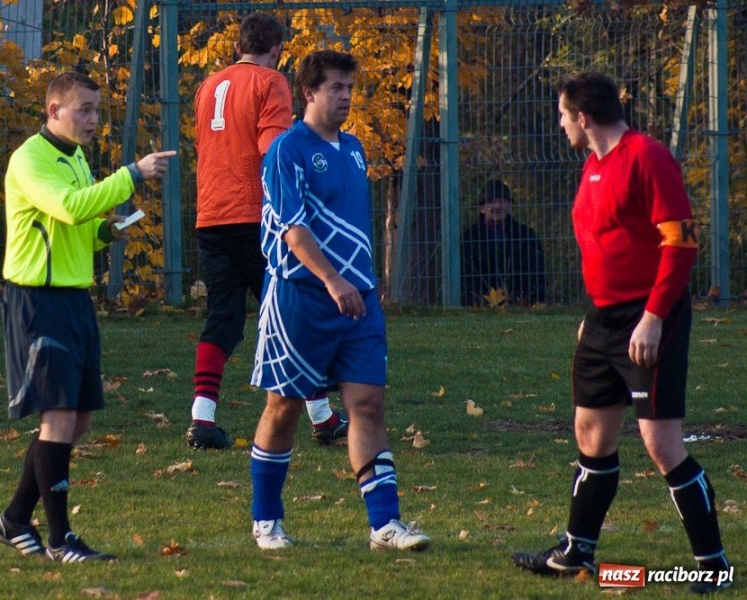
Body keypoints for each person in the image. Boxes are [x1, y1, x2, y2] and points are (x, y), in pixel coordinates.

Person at [512, 72, 730, 594]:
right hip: (603, 320)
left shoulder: (647, 157)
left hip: (651, 316)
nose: (560, 122)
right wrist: (596, 312)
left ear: (583, 116)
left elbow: (680, 243)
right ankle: (576, 552)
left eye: (563, 114)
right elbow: (606, 245)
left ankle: (715, 564)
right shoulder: (592, 165)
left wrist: (652, 318)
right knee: (591, 434)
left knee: (660, 443)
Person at [0, 71, 175, 562]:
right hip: (37, 300)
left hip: (74, 299)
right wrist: (132, 174)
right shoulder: (30, 159)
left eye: (96, 109)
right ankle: (60, 539)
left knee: (80, 416)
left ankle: (12, 520)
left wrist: (108, 234)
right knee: (60, 415)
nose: (94, 119)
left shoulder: (77, 158)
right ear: (53, 111)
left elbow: (79, 229)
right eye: (84, 110)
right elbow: (69, 209)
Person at [248, 50, 431, 552]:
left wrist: (359, 283)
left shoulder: (354, 148)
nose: (345, 95)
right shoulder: (287, 150)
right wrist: (332, 280)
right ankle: (266, 521)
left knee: (368, 404)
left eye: (349, 86)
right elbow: (292, 229)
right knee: (283, 408)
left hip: (359, 300)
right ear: (309, 93)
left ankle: (385, 525)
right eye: (335, 87)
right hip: (302, 298)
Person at [187, 12, 347, 450]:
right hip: (255, 215)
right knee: (293, 312)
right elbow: (272, 151)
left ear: (238, 47)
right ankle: (322, 417)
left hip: (211, 213)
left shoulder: (207, 86)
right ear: (276, 49)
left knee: (223, 316)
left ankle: (202, 416)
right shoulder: (270, 82)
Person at [461, 179, 546, 306]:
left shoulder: (526, 236)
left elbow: (536, 274)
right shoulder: (468, 239)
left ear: (510, 206)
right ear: (482, 208)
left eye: (502, 201)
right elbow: (466, 279)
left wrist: (531, 300)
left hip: (519, 302)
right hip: (479, 303)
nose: (497, 206)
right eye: (491, 201)